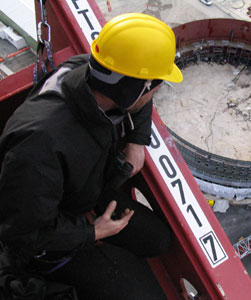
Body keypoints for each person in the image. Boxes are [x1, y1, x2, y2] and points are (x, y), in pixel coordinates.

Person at [0, 13, 183, 300]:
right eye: (155, 86)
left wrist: (137, 140)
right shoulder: (39, 147)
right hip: (45, 239)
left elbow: (139, 101)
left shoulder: (87, 70)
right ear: (134, 89)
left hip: (81, 192)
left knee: (158, 240)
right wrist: (92, 232)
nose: (155, 92)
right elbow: (22, 234)